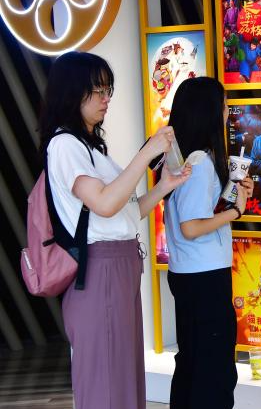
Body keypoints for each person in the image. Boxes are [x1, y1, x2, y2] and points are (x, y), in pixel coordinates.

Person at [39, 52, 191, 409]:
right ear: (72, 93)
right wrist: (147, 152)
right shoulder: (65, 145)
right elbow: (105, 204)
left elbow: (125, 213)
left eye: (108, 89)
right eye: (97, 90)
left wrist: (163, 186)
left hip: (116, 267)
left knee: (123, 379)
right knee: (107, 384)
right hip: (100, 271)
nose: (106, 98)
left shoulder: (89, 147)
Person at [160, 78, 253, 409]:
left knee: (192, 363)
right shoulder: (198, 163)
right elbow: (191, 226)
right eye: (224, 105)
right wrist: (235, 213)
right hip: (204, 277)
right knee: (213, 371)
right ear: (209, 111)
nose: (227, 112)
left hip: (189, 274)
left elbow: (194, 214)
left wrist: (233, 195)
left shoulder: (183, 157)